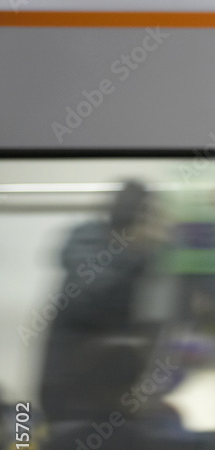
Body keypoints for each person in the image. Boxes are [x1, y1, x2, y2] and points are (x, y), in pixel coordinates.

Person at [39, 180, 168, 423]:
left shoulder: (142, 256)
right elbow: (95, 294)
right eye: (152, 219)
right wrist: (138, 254)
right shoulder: (87, 241)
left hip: (113, 396)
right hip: (69, 393)